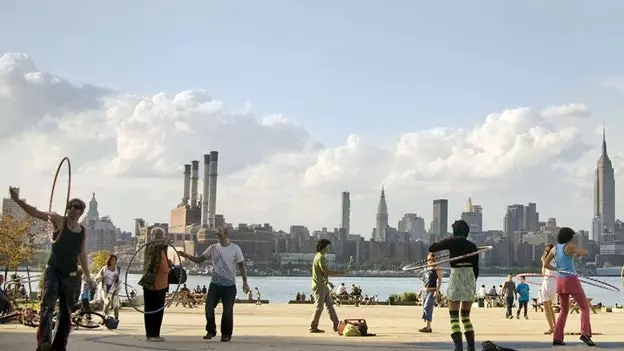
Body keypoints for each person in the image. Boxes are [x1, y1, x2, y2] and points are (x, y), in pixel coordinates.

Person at [8, 187, 93, 351]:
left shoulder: (83, 230)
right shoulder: (58, 220)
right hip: (54, 270)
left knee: (66, 314)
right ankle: (44, 344)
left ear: (81, 211)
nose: (73, 209)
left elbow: (82, 254)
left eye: (76, 207)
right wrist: (18, 200)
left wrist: (88, 276)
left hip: (71, 275)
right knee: (47, 307)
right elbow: (36, 213)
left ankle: (59, 346)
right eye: (70, 206)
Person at [178, 228, 250, 342]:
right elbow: (199, 259)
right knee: (209, 308)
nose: (218, 238)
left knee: (227, 311)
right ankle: (211, 330)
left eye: (220, 235)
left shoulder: (235, 249)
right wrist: (186, 255)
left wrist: (245, 282)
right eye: (217, 236)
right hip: (215, 285)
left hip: (229, 286)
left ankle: (226, 334)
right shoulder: (213, 248)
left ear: (226, 235)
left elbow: (241, 266)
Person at [429, 220, 479, 351]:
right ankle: (471, 347)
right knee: (466, 316)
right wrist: (473, 283)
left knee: (454, 315)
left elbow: (432, 248)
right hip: (469, 277)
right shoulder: (473, 246)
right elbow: (476, 269)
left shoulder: (451, 242)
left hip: (456, 275)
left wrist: (449, 239)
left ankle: (458, 347)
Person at [543, 227, 594, 346]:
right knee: (584, 307)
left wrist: (557, 269)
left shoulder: (554, 249)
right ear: (569, 237)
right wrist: (580, 252)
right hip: (571, 279)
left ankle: (557, 338)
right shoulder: (570, 246)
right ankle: (585, 334)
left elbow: (546, 264)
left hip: (560, 280)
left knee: (564, 310)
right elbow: (584, 253)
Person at [138, 227, 170, 342]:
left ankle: (156, 333)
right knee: (152, 309)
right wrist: (163, 244)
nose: (159, 238)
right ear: (152, 237)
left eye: (161, 236)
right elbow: (155, 248)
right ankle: (151, 334)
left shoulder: (162, 248)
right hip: (152, 283)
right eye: (157, 235)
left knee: (159, 310)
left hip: (162, 283)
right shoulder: (151, 246)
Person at [309, 239, 343, 333]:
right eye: (328, 246)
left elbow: (322, 273)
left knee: (330, 305)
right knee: (319, 307)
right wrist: (339, 273)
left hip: (323, 285)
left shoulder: (318, 256)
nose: (329, 248)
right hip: (319, 285)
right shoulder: (321, 258)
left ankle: (336, 324)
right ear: (324, 247)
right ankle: (313, 326)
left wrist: (328, 282)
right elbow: (326, 271)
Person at [419, 252, 443, 333]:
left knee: (427, 307)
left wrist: (437, 291)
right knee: (424, 308)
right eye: (429, 259)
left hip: (432, 291)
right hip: (424, 291)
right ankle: (427, 327)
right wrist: (419, 292)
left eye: (432, 259)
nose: (430, 261)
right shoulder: (425, 269)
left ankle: (428, 327)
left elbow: (440, 280)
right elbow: (423, 281)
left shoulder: (437, 269)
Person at [538, 244, 557, 334]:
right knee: (550, 307)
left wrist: (542, 261)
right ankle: (555, 326)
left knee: (546, 307)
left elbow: (543, 272)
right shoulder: (557, 261)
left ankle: (551, 327)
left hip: (547, 282)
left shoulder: (546, 261)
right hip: (555, 284)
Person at [96, 254, 121, 320]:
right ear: (109, 261)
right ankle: (105, 317)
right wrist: (102, 277)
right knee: (107, 302)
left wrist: (117, 279)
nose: (113, 261)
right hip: (105, 287)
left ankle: (116, 317)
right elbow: (98, 277)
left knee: (116, 303)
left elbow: (119, 280)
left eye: (115, 260)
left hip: (114, 287)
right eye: (112, 260)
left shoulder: (117, 269)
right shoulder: (105, 268)